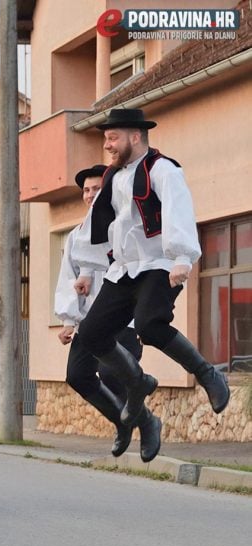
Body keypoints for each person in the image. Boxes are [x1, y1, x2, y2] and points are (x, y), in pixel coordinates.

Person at [79, 108, 229, 461]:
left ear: (135, 136)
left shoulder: (163, 170)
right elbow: (102, 225)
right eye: (105, 139)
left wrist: (181, 257)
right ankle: (138, 386)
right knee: (92, 335)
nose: (107, 145)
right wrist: (87, 269)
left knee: (150, 324)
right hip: (126, 269)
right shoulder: (114, 178)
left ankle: (209, 374)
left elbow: (179, 211)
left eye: (112, 138)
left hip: (161, 264)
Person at [54, 164, 152, 460]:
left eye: (97, 188)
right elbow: (68, 278)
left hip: (123, 319)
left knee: (111, 372)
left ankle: (144, 424)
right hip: (90, 322)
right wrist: (68, 319)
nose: (90, 194)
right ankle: (125, 423)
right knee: (78, 376)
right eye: (86, 190)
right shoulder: (77, 236)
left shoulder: (126, 229)